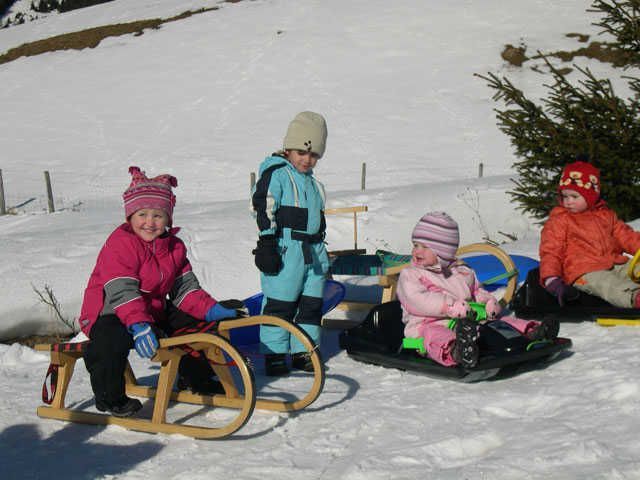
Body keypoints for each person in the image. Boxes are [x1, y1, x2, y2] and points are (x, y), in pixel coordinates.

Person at [79, 166, 238, 417]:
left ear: (168, 219)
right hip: (109, 310)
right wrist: (138, 324)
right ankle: (111, 397)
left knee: (195, 323)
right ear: (130, 216)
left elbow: (185, 289)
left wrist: (210, 310)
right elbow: (122, 290)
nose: (149, 222)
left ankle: (196, 378)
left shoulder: (174, 248)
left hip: (151, 310)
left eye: (158, 215)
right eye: (142, 214)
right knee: (111, 339)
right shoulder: (121, 244)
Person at [396, 212, 557, 368]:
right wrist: (449, 307)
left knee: (500, 323)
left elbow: (476, 291)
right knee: (435, 336)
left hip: (468, 323)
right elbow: (416, 300)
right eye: (415, 245)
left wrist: (488, 302)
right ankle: (458, 351)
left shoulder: (461, 271)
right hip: (428, 324)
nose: (417, 251)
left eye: (425, 247)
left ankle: (533, 331)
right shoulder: (411, 274)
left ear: (443, 251)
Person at [251, 111, 329, 376]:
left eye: (314, 155)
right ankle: (274, 354)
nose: (307, 159)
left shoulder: (314, 183)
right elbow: (263, 205)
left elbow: (318, 219)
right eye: (301, 152)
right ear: (288, 149)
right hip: (286, 249)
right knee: (280, 303)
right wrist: (267, 241)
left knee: (310, 304)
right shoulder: (277, 174)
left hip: (313, 252)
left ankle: (303, 351)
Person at [540, 159, 640, 308]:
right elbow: (551, 251)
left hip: (614, 263)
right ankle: (635, 297)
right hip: (583, 272)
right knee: (607, 284)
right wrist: (551, 278)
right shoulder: (560, 220)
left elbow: (627, 236)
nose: (568, 201)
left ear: (591, 196)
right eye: (565, 196)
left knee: (635, 268)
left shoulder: (606, 216)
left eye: (574, 196)